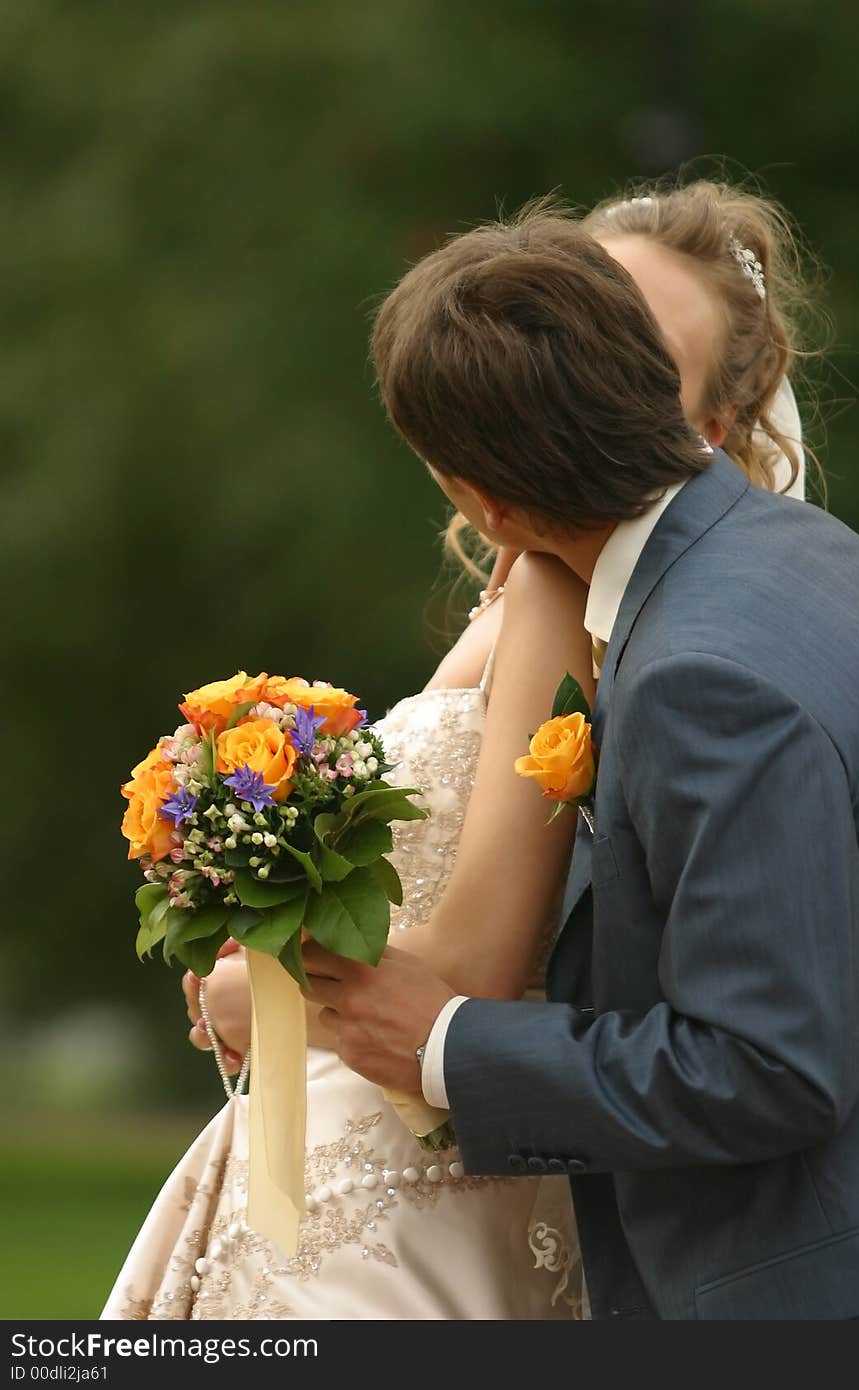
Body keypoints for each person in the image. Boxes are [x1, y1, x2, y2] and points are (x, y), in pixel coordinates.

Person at [102, 181, 821, 1321]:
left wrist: (277, 994)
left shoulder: (608, 610)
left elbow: (489, 958)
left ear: (707, 424)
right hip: (380, 1126)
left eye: (637, 355)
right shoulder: (567, 576)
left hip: (428, 1159)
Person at [301, 203, 859, 1322]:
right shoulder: (809, 559)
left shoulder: (702, 678)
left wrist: (445, 1044)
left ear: (487, 502)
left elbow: (769, 1069)